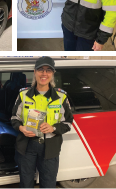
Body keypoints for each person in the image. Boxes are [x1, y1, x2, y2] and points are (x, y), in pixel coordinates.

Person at [11, 57, 73, 189]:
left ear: (53, 73)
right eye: (41, 70)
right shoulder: (23, 95)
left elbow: (68, 123)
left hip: (50, 148)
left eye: (48, 70)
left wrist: (53, 128)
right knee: (26, 182)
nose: (44, 74)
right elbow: (13, 119)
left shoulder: (61, 97)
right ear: (35, 72)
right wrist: (21, 128)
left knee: (49, 184)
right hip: (27, 146)